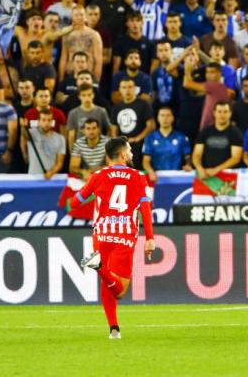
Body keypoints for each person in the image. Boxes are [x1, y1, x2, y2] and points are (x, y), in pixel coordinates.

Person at [73, 137, 155, 339]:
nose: (133, 154)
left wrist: (88, 196)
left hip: (101, 234)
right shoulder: (137, 176)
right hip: (124, 235)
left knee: (107, 283)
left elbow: (75, 204)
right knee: (119, 291)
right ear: (123, 155)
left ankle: (114, 329)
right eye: (130, 150)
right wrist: (150, 238)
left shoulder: (98, 175)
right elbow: (145, 208)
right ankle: (99, 267)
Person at [110, 77, 155, 169]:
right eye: (124, 87)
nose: (127, 90)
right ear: (119, 90)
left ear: (135, 88)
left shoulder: (144, 104)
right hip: (123, 149)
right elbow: (114, 128)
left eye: (130, 87)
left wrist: (137, 138)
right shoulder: (116, 107)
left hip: (140, 147)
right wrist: (117, 142)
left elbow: (151, 126)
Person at [192, 101, 243, 178]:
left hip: (227, 177)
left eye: (225, 112)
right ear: (214, 113)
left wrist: (216, 170)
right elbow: (196, 154)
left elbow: (236, 158)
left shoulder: (236, 133)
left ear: (230, 113)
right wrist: (200, 169)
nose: (222, 115)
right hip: (205, 175)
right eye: (219, 112)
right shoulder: (205, 131)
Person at [142, 106, 192, 181]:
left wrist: (188, 165)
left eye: (168, 115)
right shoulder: (150, 138)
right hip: (156, 178)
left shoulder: (181, 137)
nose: (165, 118)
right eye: (162, 115)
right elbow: (146, 160)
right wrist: (150, 171)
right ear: (158, 118)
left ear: (172, 118)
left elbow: (187, 156)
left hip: (176, 178)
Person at [22, 109, 66, 180]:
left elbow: (59, 162)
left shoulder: (60, 138)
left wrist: (51, 172)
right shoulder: (32, 133)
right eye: (43, 120)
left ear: (52, 121)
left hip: (51, 178)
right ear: (38, 121)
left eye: (49, 120)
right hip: (32, 177)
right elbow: (24, 134)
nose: (46, 123)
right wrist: (23, 127)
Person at [66, 83, 111, 151]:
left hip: (98, 150)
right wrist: (72, 152)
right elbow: (71, 136)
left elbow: (109, 129)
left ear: (93, 95)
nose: (87, 98)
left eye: (89, 95)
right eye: (83, 95)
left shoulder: (101, 111)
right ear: (79, 96)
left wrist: (106, 146)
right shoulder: (73, 113)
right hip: (80, 150)